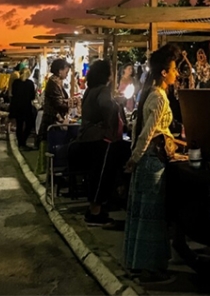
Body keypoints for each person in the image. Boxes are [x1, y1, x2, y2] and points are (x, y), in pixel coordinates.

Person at [124, 44, 180, 283]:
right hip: (151, 163)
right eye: (174, 69)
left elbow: (143, 129)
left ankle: (139, 264)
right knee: (152, 219)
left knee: (142, 216)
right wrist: (134, 159)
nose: (177, 73)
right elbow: (147, 133)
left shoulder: (150, 93)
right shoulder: (158, 97)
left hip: (146, 161)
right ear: (164, 73)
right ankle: (150, 270)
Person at [70, 60, 130, 226]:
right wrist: (116, 105)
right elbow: (107, 106)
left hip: (86, 138)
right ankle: (95, 212)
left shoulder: (90, 90)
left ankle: (96, 208)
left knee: (95, 174)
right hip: (99, 139)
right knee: (101, 175)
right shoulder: (103, 90)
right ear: (106, 75)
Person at [39, 59, 71, 143]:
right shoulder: (54, 83)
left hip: (53, 118)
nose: (67, 75)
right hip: (52, 119)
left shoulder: (56, 82)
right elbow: (58, 103)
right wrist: (71, 104)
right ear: (60, 70)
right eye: (66, 72)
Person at [9, 68, 37, 149]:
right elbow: (32, 96)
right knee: (30, 124)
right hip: (26, 107)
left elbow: (13, 93)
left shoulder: (16, 83)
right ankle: (23, 141)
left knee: (19, 125)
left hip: (17, 107)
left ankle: (20, 142)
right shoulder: (30, 83)